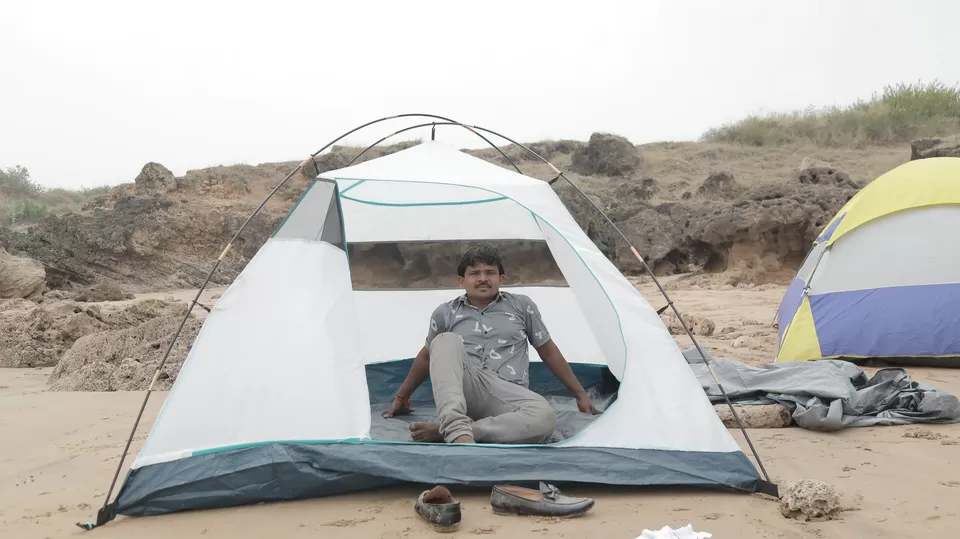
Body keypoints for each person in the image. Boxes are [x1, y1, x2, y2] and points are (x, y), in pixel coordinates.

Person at [383, 244, 599, 444]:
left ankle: (452, 431)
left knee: (544, 416)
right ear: (461, 281)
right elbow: (427, 356)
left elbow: (548, 351)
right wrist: (402, 396)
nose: (483, 279)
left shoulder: (521, 306)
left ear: (501, 278)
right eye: (475, 273)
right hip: (468, 388)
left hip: (509, 394)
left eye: (490, 272)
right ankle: (456, 427)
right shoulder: (446, 312)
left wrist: (579, 394)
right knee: (444, 341)